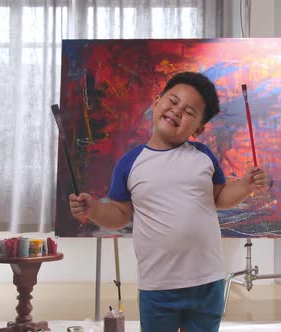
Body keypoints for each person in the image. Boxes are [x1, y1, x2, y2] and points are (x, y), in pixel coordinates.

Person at [69, 71, 266, 332]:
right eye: (172, 101)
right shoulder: (129, 164)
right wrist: (93, 208)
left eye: (189, 111)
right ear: (155, 102)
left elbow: (219, 198)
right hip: (158, 285)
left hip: (207, 281)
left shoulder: (203, 157)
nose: (176, 111)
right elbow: (119, 214)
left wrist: (245, 186)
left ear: (198, 128)